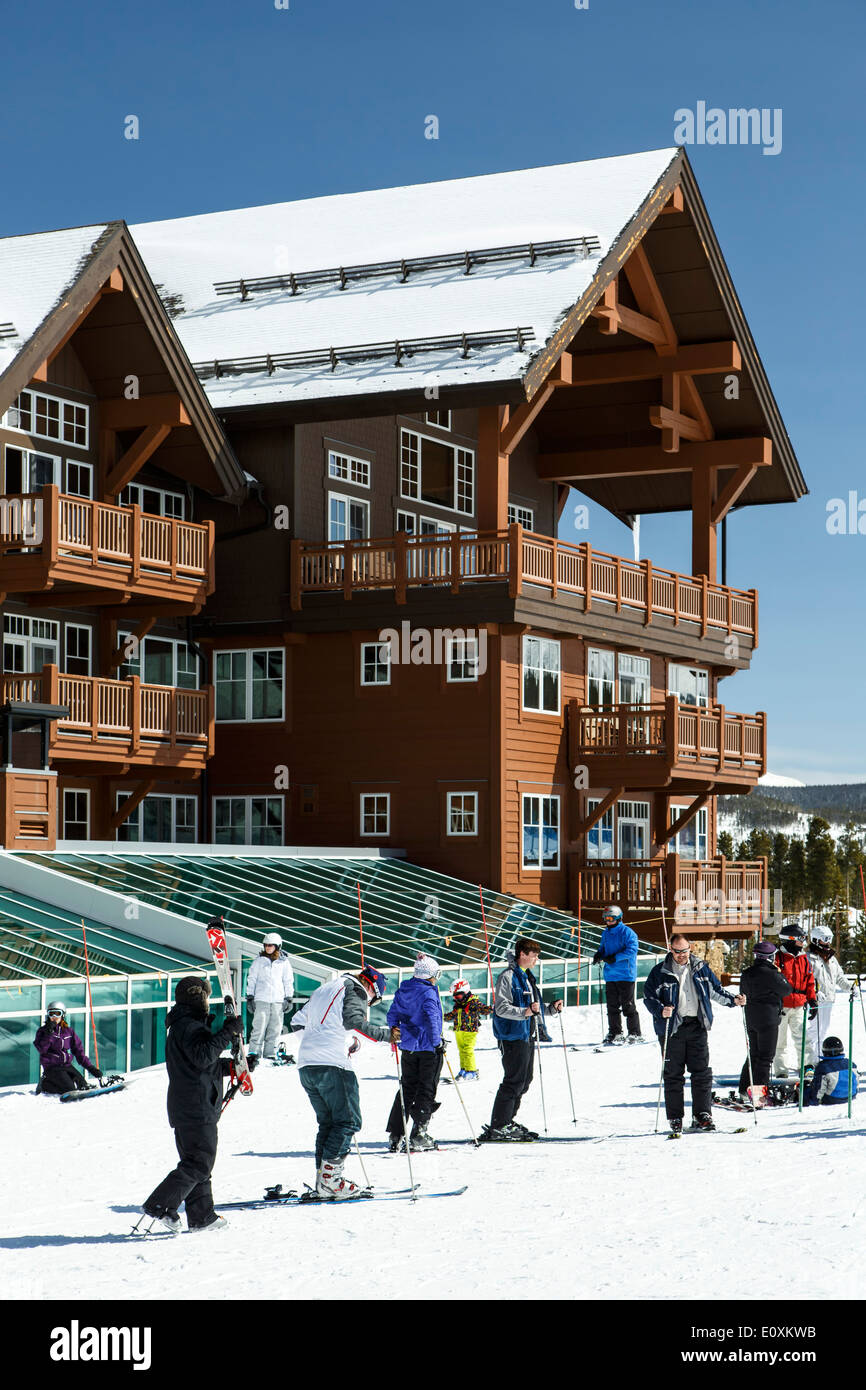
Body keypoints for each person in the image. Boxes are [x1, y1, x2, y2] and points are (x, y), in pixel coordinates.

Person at [142, 976, 243, 1234]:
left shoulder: (183, 1026)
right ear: (197, 996)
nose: (208, 1003)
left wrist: (233, 1067)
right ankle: (160, 1205)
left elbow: (203, 1064)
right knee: (199, 1163)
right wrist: (228, 1032)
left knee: (198, 1162)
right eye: (206, 997)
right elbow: (202, 1056)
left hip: (189, 1104)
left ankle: (202, 1217)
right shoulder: (188, 1026)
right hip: (195, 1106)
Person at [292, 962, 399, 1199]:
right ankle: (331, 1181)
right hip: (332, 1065)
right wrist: (386, 1036)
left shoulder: (325, 989)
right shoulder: (357, 988)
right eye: (373, 1000)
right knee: (348, 1122)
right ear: (372, 987)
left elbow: (297, 1022)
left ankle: (323, 1181)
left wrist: (329, 1041)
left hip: (307, 1064)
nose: (369, 1004)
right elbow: (353, 1021)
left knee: (328, 1124)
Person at [643, 933, 745, 1134]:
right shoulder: (660, 972)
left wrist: (734, 1000)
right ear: (670, 950)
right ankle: (675, 1117)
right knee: (673, 1075)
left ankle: (702, 1115)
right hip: (672, 1029)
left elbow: (716, 990)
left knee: (701, 1073)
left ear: (690, 948)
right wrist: (660, 1010)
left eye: (685, 950)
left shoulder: (700, 968)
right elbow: (648, 997)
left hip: (697, 1025)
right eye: (677, 951)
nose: (681, 955)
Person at [479, 936, 563, 1143]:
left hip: (527, 1034)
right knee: (514, 1080)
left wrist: (550, 1009)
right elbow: (501, 1008)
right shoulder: (508, 977)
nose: (536, 960)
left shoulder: (526, 976)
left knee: (525, 1080)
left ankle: (507, 1121)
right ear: (522, 954)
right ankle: (499, 1125)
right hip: (512, 1035)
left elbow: (532, 1008)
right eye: (533, 955)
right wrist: (525, 1011)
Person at [386, 954, 445, 1151]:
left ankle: (396, 1134)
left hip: (408, 1047)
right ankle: (419, 1133)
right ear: (430, 975)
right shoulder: (428, 993)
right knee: (426, 1089)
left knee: (407, 1088)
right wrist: (437, 1042)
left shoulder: (404, 989)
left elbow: (392, 1013)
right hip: (427, 1047)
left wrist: (395, 1028)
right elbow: (431, 1019)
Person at [737, 939, 790, 1106]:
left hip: (751, 1017)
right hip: (768, 1018)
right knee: (766, 1057)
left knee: (754, 1054)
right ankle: (759, 1094)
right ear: (770, 957)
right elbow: (786, 989)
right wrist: (778, 973)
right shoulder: (771, 973)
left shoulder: (747, 972)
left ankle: (744, 1088)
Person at [772, 920, 817, 1078]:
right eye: (800, 938)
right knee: (779, 1041)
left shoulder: (804, 958)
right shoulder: (778, 958)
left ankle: (806, 1067)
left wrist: (813, 1000)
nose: (803, 942)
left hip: (799, 1005)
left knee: (803, 1038)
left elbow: (809, 980)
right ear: (790, 939)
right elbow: (772, 981)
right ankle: (781, 1071)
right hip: (781, 1006)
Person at [592, 905, 642, 1045]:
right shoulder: (605, 933)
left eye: (610, 918)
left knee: (628, 1005)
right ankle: (615, 1032)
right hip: (611, 975)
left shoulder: (628, 932)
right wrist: (599, 954)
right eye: (605, 919)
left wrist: (615, 958)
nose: (607, 921)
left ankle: (634, 1032)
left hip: (625, 974)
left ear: (619, 918)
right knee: (612, 1006)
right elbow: (603, 947)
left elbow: (632, 950)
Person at [34, 1001, 103, 1095]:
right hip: (52, 1067)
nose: (54, 1016)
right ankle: (45, 1084)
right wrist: (48, 1034)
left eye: (57, 1013)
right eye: (51, 1013)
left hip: (66, 1065)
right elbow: (41, 1049)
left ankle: (65, 1082)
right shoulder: (43, 1031)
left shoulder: (68, 1031)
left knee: (83, 1085)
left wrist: (91, 1068)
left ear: (63, 1015)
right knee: (70, 1089)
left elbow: (78, 1051)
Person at [246, 932, 295, 1062]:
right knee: (259, 1026)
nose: (267, 947)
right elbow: (252, 979)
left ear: (277, 946)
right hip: (261, 998)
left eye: (270, 945)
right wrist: (250, 997)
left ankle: (270, 1053)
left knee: (275, 1028)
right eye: (266, 945)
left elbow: (288, 980)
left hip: (278, 1000)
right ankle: (254, 1052)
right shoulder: (259, 961)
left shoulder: (284, 962)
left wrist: (289, 998)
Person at [806, 926, 850, 1068]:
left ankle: (818, 1057)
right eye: (825, 940)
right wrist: (813, 993)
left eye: (829, 939)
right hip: (815, 1000)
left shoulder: (831, 958)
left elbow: (840, 977)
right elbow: (806, 979)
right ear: (815, 939)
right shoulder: (809, 958)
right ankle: (810, 1060)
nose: (828, 943)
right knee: (814, 1030)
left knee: (823, 1029)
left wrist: (850, 987)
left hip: (829, 999)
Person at [443, 978, 492, 1079]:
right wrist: (441, 1017)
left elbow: (483, 1009)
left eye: (458, 996)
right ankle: (464, 1069)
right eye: (455, 996)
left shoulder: (473, 1002)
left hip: (470, 1030)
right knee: (461, 1051)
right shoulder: (458, 1004)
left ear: (465, 992)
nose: (456, 998)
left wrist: (492, 1008)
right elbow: (453, 1015)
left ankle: (472, 1071)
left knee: (468, 1050)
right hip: (459, 1030)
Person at [804, 1036, 859, 1106]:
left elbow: (819, 1089)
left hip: (832, 1098)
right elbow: (856, 1082)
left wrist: (811, 1100)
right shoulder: (850, 1063)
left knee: (806, 1090)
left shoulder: (823, 1067)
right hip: (851, 1096)